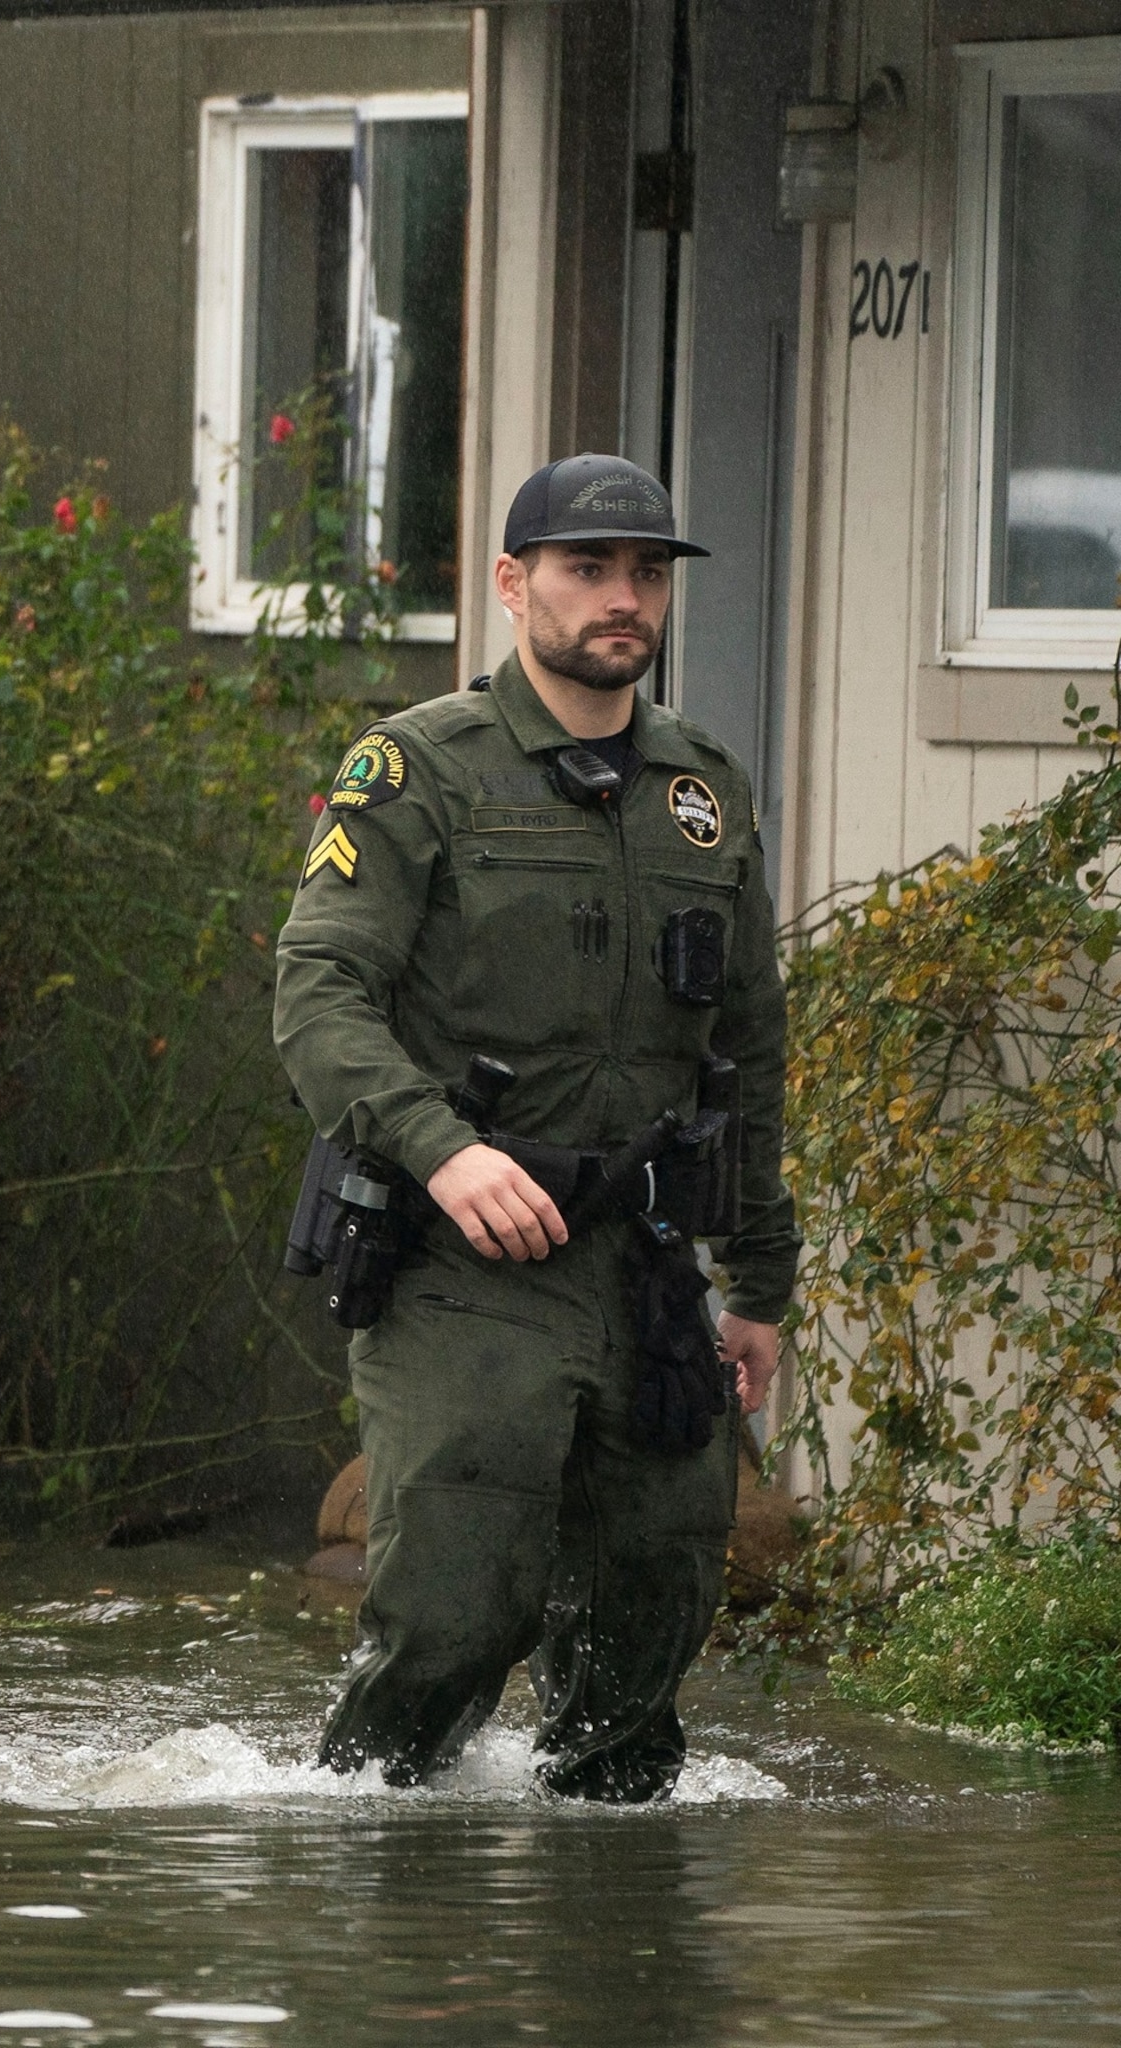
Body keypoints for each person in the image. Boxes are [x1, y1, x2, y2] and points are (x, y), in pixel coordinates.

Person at [274, 453, 798, 1802]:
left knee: (653, 1624)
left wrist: (760, 1283)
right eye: (589, 567)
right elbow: (320, 995)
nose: (625, 597)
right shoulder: (420, 768)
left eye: (648, 572)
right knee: (457, 1610)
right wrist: (442, 1149)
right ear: (513, 584)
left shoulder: (705, 791)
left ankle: (606, 1907)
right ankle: (367, 1860)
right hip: (466, 1260)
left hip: (646, 1265)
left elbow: (749, 1047)